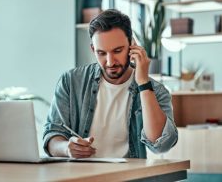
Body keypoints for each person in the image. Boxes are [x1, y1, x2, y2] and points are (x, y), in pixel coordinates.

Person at [43, 9, 178, 159]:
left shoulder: (156, 91)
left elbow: (161, 145)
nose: (110, 61)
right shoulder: (71, 81)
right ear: (93, 49)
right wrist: (66, 148)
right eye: (101, 53)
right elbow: (52, 135)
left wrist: (143, 83)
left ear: (131, 45)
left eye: (118, 50)